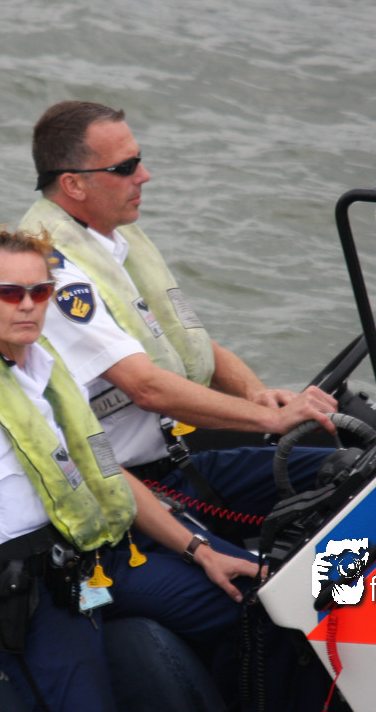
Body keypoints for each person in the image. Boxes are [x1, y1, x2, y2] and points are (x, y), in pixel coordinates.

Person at [0, 227, 261, 712]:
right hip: (32, 592)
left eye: (39, 291)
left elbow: (109, 476)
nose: (27, 305)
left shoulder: (51, 372)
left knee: (255, 609)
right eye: (9, 293)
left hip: (94, 560)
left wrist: (200, 550)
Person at [19, 101, 339, 534]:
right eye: (125, 167)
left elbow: (187, 344)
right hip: (122, 488)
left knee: (345, 466)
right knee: (249, 579)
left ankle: (348, 578)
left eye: (139, 160)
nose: (144, 175)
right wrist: (271, 421)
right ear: (73, 184)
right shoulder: (52, 274)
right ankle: (336, 580)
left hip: (174, 459)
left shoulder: (110, 241)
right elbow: (146, 387)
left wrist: (258, 395)